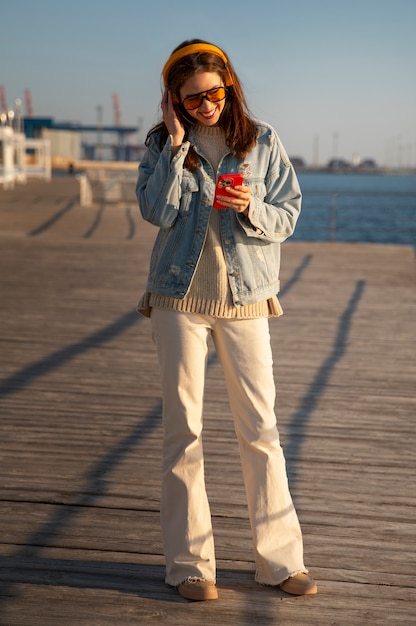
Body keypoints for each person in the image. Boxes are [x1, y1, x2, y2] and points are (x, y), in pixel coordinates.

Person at [136, 39, 317, 602]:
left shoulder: (262, 141)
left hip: (245, 299)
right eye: (192, 99)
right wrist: (173, 143)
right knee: (182, 431)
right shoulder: (162, 143)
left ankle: (281, 562)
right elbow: (155, 210)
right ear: (175, 101)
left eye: (214, 92)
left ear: (229, 85)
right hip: (178, 300)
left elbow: (287, 213)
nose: (206, 105)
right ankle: (190, 566)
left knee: (261, 429)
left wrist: (251, 210)